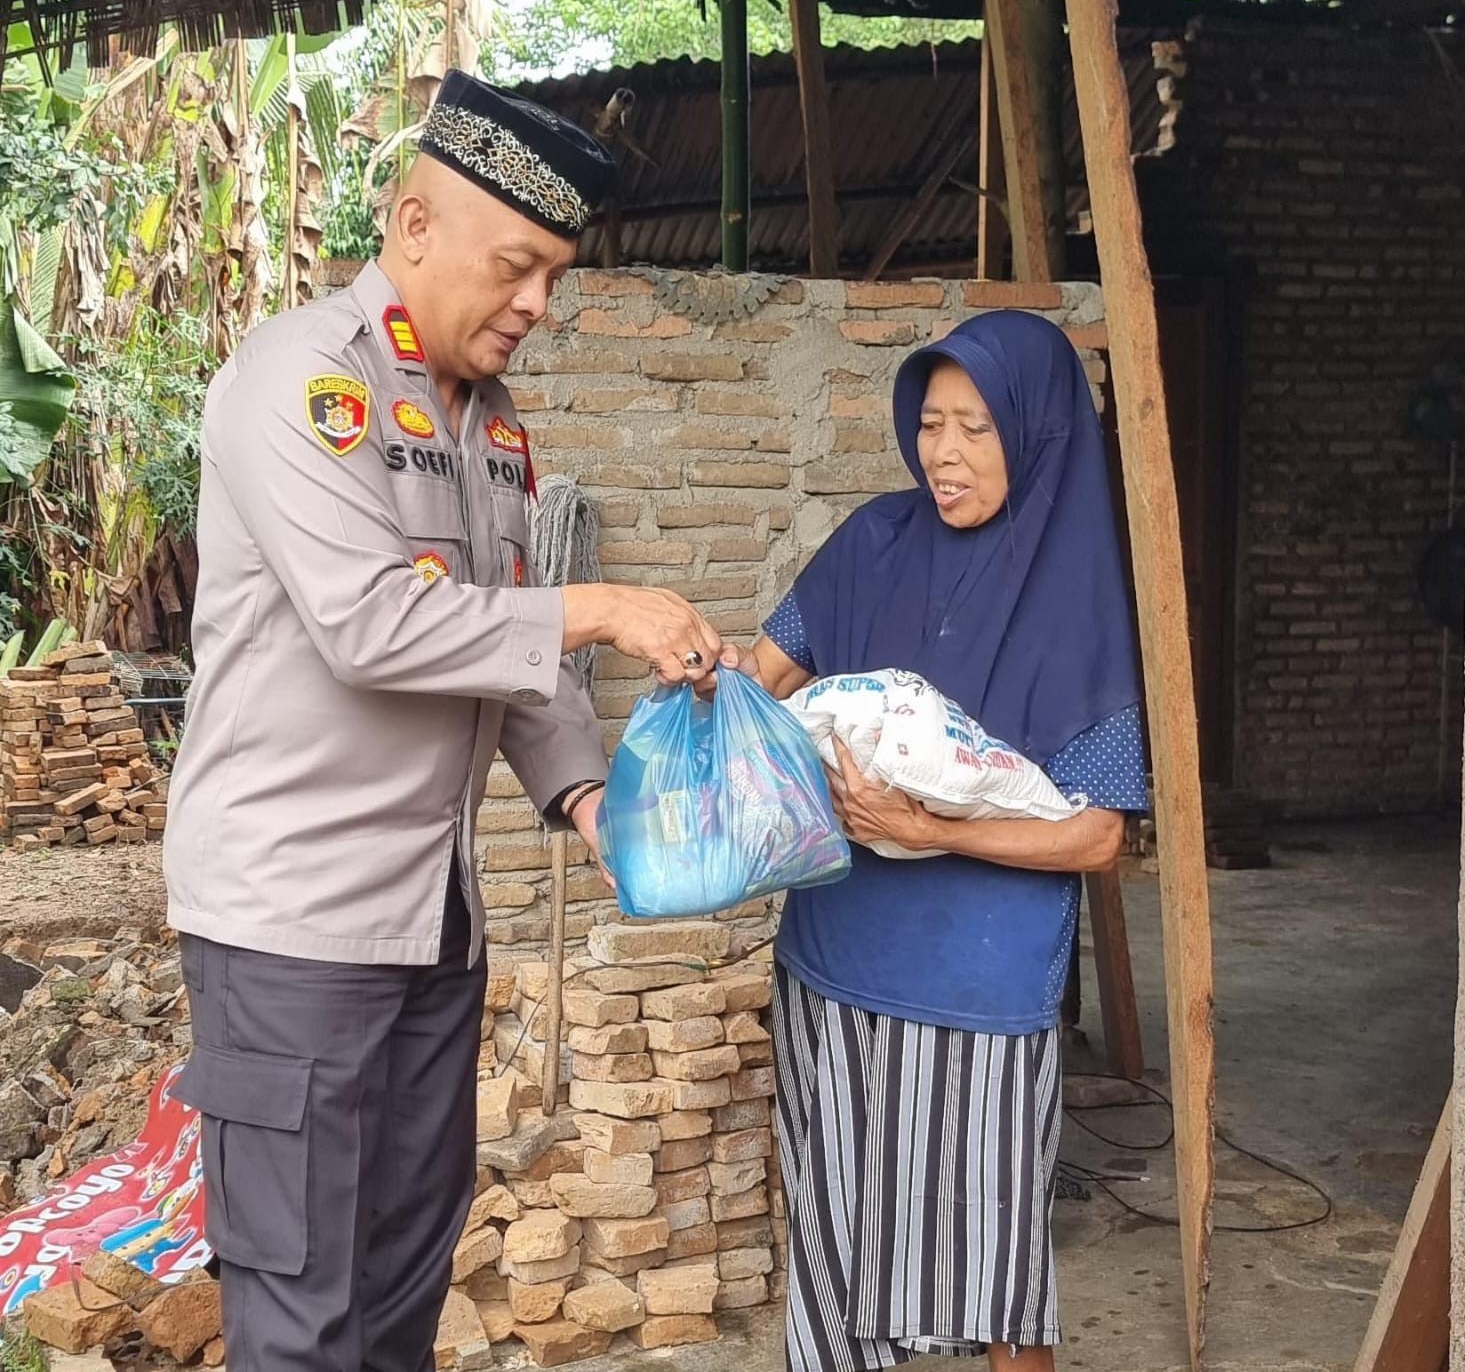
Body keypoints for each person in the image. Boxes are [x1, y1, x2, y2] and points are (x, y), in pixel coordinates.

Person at [164, 69, 722, 1372]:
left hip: (431, 923)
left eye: (554, 280)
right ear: (415, 226)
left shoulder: (494, 430)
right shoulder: (303, 384)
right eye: (518, 267)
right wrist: (609, 604)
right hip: (293, 929)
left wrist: (584, 790)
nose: (538, 304)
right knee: (301, 1306)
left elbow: (506, 637)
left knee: (401, 1281)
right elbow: (374, 624)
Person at [727, 310, 1150, 1371]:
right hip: (831, 960)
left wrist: (923, 824)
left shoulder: (1082, 605)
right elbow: (762, 678)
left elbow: (1097, 837)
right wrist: (706, 686)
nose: (944, 453)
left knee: (994, 1267)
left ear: (1036, 432)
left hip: (981, 985)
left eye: (975, 427)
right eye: (929, 423)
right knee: (840, 1251)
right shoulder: (871, 542)